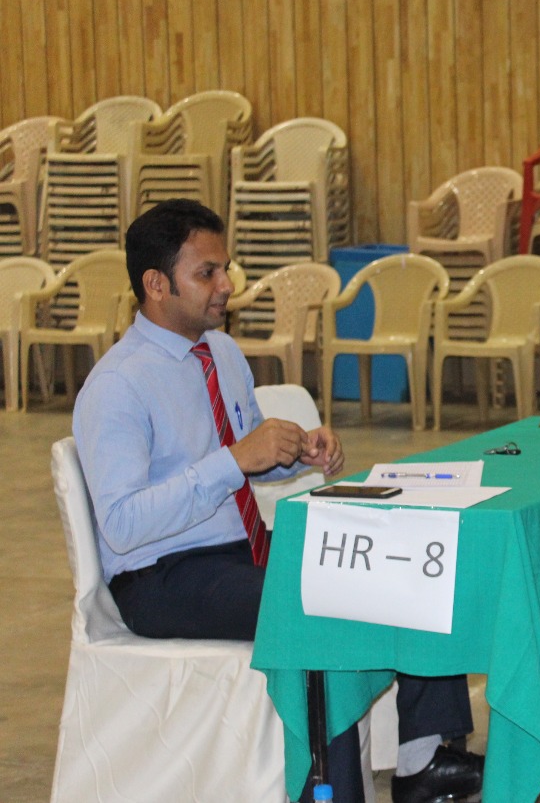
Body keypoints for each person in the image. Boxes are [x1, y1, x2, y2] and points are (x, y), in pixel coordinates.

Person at [72, 199, 483, 803]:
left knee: (406, 561)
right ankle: (329, 790)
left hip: (238, 552)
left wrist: (293, 452)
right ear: (156, 285)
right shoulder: (117, 386)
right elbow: (122, 523)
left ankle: (424, 759)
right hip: (160, 577)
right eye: (207, 273)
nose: (226, 285)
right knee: (317, 603)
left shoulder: (221, 352)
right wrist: (236, 459)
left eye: (226, 268)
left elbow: (245, 459)